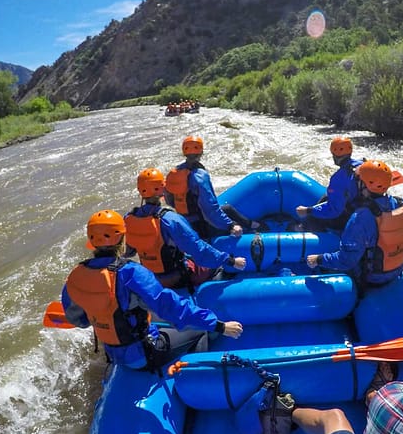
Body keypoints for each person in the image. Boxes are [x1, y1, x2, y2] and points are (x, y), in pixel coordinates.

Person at [61, 209, 244, 372]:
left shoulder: (76, 276)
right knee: (199, 330)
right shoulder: (130, 273)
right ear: (122, 239)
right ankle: (194, 380)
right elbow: (170, 306)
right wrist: (219, 325)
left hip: (112, 352)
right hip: (144, 355)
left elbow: (78, 320)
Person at [124, 167, 247, 289]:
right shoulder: (170, 219)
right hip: (176, 278)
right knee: (215, 268)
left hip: (150, 277)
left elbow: (129, 252)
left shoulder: (129, 218)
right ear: (163, 188)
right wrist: (231, 260)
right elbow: (199, 249)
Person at [305, 159, 403, 286]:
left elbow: (346, 260)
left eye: (357, 180)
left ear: (364, 185)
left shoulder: (361, 218)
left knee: (321, 266)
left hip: (371, 277)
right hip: (397, 270)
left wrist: (319, 259)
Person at [164, 135, 260, 239]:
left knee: (227, 209)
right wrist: (230, 225)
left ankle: (251, 224)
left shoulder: (173, 173)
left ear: (184, 152)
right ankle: (256, 228)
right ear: (201, 152)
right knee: (232, 220)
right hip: (201, 225)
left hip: (185, 220)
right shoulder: (199, 176)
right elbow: (210, 208)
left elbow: (170, 201)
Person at [295, 136, 362, 232]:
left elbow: (333, 210)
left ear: (334, 155)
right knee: (326, 196)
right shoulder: (362, 165)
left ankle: (306, 231)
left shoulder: (338, 178)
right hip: (364, 211)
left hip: (350, 218)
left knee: (312, 218)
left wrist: (308, 210)